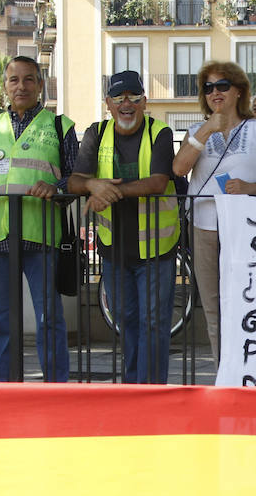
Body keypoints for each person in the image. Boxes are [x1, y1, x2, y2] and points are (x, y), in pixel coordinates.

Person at [0, 56, 76, 382]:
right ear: (5, 86)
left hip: (42, 234)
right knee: (0, 320)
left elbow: (76, 178)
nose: (21, 86)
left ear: (39, 84)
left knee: (49, 316)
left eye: (28, 80)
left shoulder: (59, 126)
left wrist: (55, 187)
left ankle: (56, 385)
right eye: (14, 80)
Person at [68, 70, 180, 384]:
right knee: (126, 321)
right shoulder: (95, 133)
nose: (126, 103)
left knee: (153, 323)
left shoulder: (160, 132)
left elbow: (158, 182)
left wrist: (109, 192)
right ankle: (133, 387)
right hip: (114, 248)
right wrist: (92, 184)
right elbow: (75, 180)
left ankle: (151, 390)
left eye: (133, 96)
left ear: (145, 101)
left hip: (157, 249)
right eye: (118, 97)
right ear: (108, 103)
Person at [172, 62, 256, 364]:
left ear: (238, 91)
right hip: (205, 227)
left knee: (250, 302)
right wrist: (208, 128)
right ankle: (227, 372)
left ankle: (253, 369)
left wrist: (253, 187)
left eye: (222, 85)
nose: (214, 92)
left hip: (249, 229)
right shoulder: (197, 130)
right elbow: (179, 169)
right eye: (208, 87)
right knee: (213, 305)